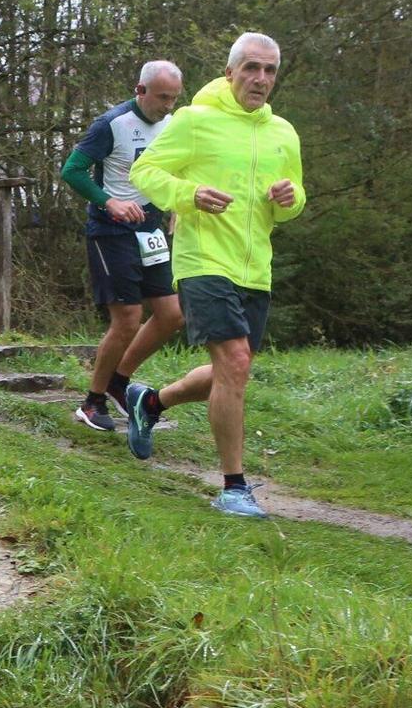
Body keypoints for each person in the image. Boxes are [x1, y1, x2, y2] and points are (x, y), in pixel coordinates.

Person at [121, 32, 306, 519]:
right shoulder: (194, 121)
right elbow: (146, 172)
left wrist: (291, 199)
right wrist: (190, 194)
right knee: (236, 363)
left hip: (255, 266)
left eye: (269, 70)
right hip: (203, 260)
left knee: (233, 370)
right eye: (251, 67)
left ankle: (152, 402)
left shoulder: (283, 133)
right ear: (230, 72)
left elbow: (294, 201)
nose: (260, 78)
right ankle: (233, 487)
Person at [60, 61, 186, 431]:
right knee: (128, 318)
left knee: (171, 315)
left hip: (151, 229)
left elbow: (178, 167)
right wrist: (108, 201)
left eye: (174, 98)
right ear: (140, 90)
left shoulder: (173, 124)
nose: (167, 105)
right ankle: (92, 402)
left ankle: (119, 380)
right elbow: (72, 170)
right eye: (162, 97)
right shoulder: (110, 124)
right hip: (111, 231)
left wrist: (177, 202)